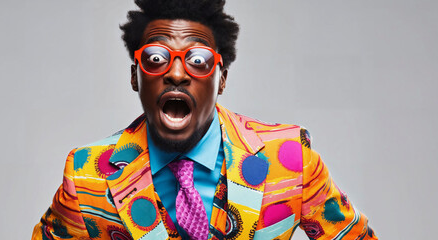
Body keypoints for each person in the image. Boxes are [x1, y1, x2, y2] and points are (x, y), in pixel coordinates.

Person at [32, 0, 377, 239]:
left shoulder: (289, 159)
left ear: (222, 78)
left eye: (198, 59)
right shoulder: (87, 174)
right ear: (136, 76)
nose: (177, 73)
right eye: (156, 57)